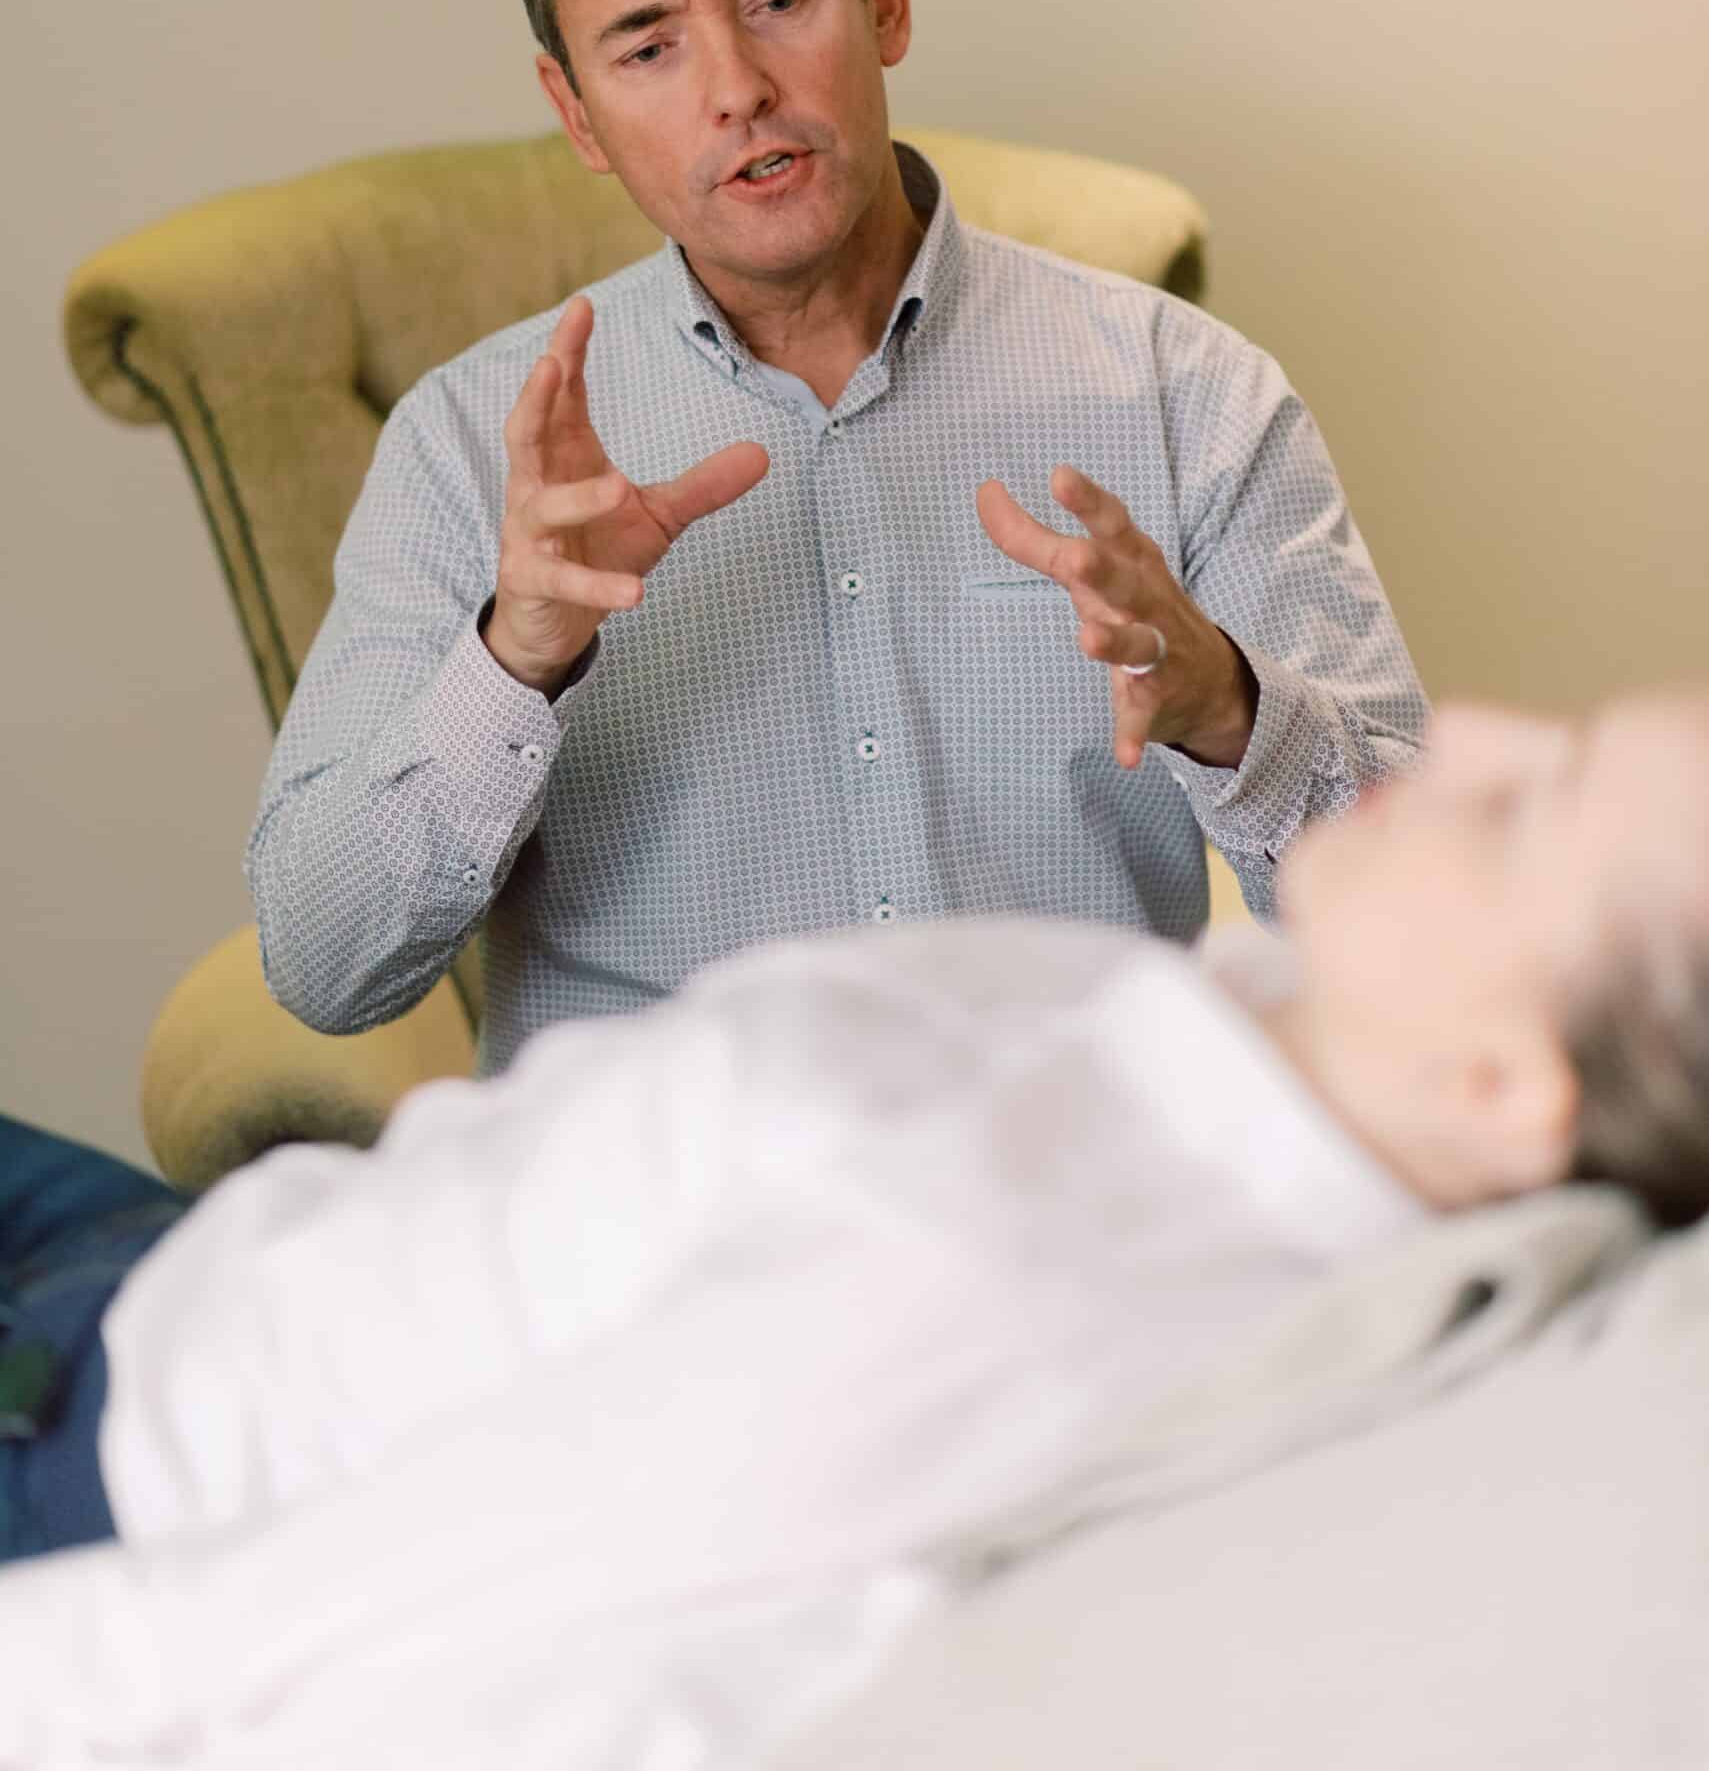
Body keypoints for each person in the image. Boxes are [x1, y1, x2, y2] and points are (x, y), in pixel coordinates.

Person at [2, 685, 1707, 1771]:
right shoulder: (1231, 1020)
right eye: (1556, 725)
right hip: (196, 1273)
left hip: (91, 1461)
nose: (1455, 732)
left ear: (1500, 1089)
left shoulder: (1015, 1277)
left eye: (1518, 812)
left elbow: (354, 1605)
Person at [244, 0, 1427, 1066]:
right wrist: (515, 654)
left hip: (1067, 1205)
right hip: (668, 1231)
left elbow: (1420, 916)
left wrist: (1226, 707)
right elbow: (321, 961)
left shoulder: (1179, 390)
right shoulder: (470, 445)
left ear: (882, 0)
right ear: (575, 113)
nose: (736, 87)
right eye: (648, 46)